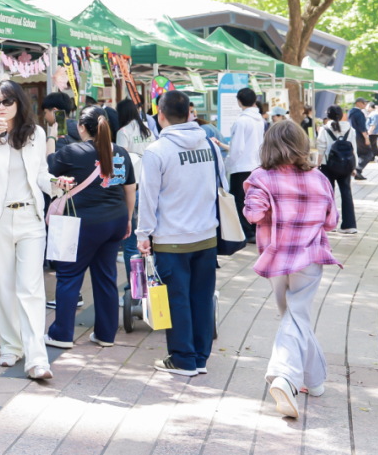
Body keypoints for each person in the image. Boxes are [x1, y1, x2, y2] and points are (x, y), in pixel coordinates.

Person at [0, 81, 68, 380]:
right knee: (4, 286)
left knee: (32, 288)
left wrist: (56, 185)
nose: (1, 107)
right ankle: (10, 346)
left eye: (7, 101)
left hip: (30, 217)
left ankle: (38, 358)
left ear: (19, 103)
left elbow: (39, 173)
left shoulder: (36, 134)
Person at [243, 120, 341, 419]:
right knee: (297, 317)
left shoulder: (261, 177)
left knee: (292, 317)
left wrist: (272, 207)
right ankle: (299, 378)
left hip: (275, 258)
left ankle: (301, 379)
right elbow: (331, 222)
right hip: (309, 256)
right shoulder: (319, 178)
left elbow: (253, 214)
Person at [137, 90, 226, 377]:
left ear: (160, 115)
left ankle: (183, 359)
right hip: (207, 235)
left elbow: (148, 198)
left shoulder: (156, 151)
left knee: (177, 298)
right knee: (201, 297)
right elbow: (222, 185)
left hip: (171, 239)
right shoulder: (210, 146)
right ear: (190, 113)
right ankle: (200, 358)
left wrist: (143, 235)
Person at [46, 106, 136, 348]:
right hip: (115, 221)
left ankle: (61, 334)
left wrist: (52, 138)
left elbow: (46, 173)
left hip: (82, 224)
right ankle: (105, 335)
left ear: (82, 128)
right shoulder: (121, 153)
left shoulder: (72, 152)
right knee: (106, 277)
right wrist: (127, 219)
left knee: (69, 275)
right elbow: (130, 190)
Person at [116, 98, 156, 286]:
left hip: (132, 190)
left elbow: (121, 165)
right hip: (151, 189)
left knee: (131, 243)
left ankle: (134, 287)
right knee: (150, 240)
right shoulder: (148, 130)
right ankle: (150, 281)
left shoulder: (122, 132)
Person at [218, 87, 263, 242]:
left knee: (240, 200)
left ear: (239, 101)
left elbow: (237, 149)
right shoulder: (259, 120)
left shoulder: (241, 121)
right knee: (254, 199)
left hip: (241, 167)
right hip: (257, 166)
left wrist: (227, 165)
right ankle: (255, 229)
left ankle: (247, 232)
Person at [316, 105, 357, 234]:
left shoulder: (324, 129)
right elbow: (353, 149)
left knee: (328, 194)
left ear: (328, 116)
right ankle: (349, 225)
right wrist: (354, 167)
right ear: (341, 114)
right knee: (346, 193)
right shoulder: (350, 129)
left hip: (328, 166)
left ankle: (330, 224)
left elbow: (321, 149)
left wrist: (317, 166)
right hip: (346, 166)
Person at [348, 97, 374, 180]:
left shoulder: (350, 112)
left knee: (358, 154)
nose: (365, 104)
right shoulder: (359, 113)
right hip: (360, 136)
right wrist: (366, 138)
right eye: (363, 103)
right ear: (358, 103)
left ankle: (357, 173)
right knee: (369, 153)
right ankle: (358, 170)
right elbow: (362, 127)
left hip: (353, 136)